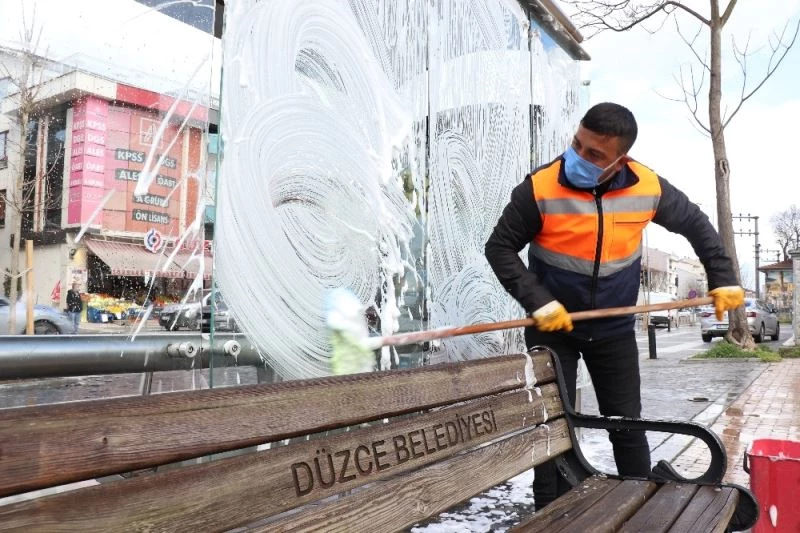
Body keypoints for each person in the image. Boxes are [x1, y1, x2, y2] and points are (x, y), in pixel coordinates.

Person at [484, 102, 744, 510]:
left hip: (614, 327)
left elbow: (696, 223)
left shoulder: (647, 187)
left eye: (594, 154)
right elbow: (499, 247)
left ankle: (636, 508)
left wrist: (724, 276)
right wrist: (538, 301)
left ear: (620, 159)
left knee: (627, 426)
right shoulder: (540, 187)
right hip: (552, 329)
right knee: (554, 430)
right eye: (577, 144)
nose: (579, 158)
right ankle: (552, 516)